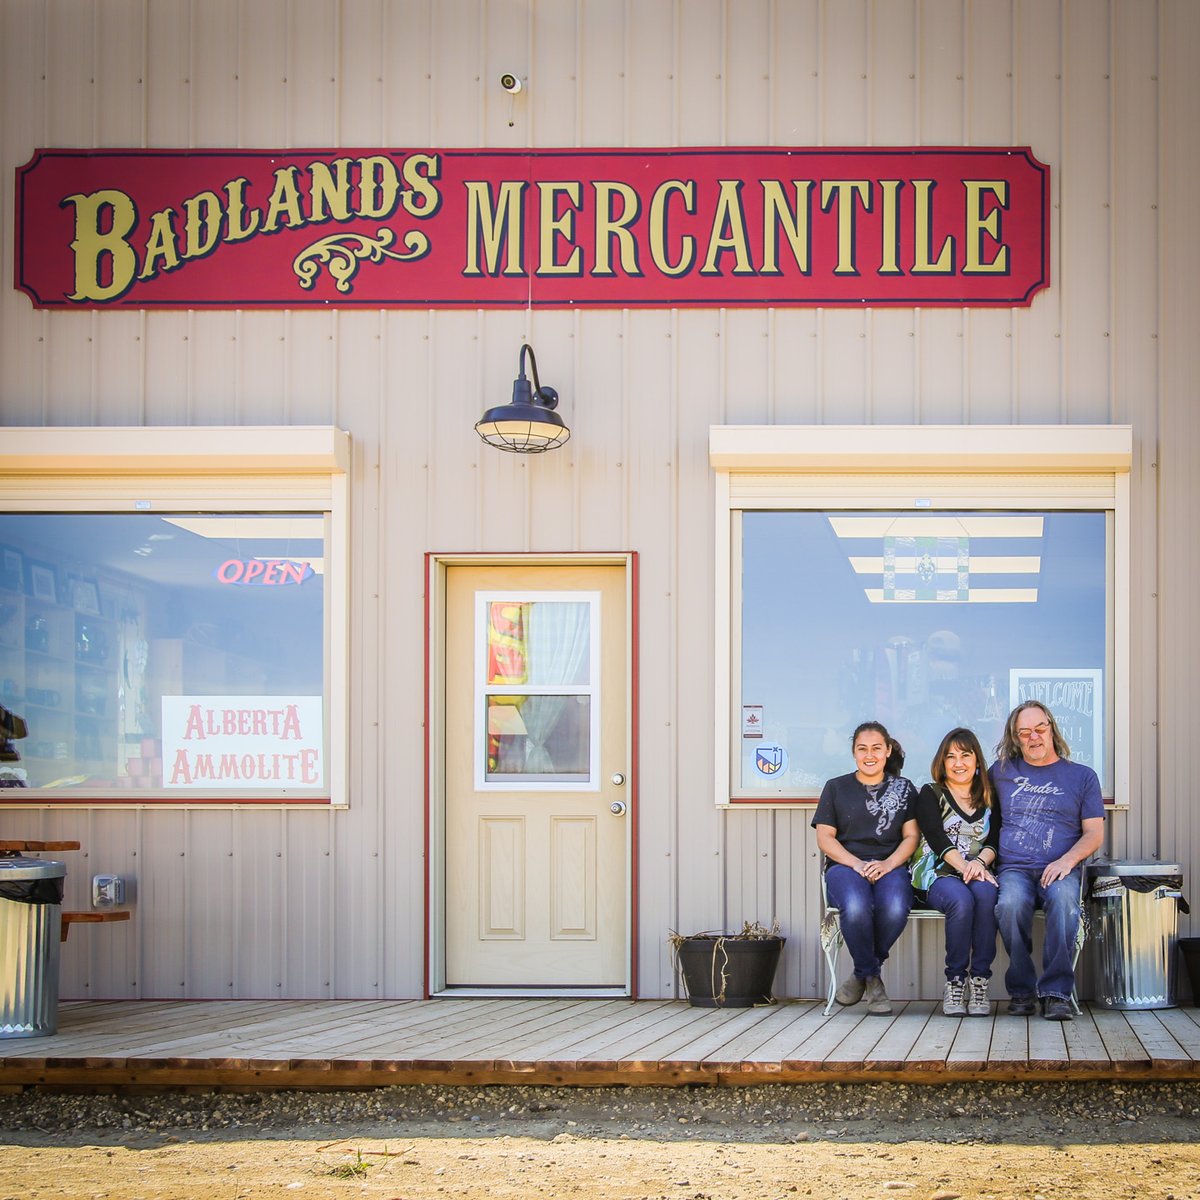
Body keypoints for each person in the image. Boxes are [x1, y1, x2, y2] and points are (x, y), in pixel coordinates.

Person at [990, 701, 1105, 1021]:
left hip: (1062, 867)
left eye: (1039, 729)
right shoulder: (1000, 772)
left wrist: (1066, 861)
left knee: (1066, 901)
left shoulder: (1082, 777)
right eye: (1024, 732)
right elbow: (965, 799)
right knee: (1009, 904)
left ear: (1052, 727)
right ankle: (1023, 990)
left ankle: (1056, 993)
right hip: (1014, 868)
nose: (1033, 737)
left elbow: (1094, 834)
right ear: (1015, 738)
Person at [813, 720, 919, 1015]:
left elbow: (911, 836)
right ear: (854, 753)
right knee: (857, 906)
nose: (869, 755)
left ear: (887, 751)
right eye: (862, 749)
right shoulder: (836, 788)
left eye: (876, 748)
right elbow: (825, 837)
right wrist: (857, 864)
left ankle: (861, 974)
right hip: (845, 867)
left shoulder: (904, 788)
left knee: (897, 906)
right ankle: (873, 979)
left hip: (891, 866)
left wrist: (887, 864)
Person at [912, 728, 999, 1017]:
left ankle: (980, 980)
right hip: (936, 872)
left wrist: (980, 864)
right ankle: (956, 981)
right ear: (942, 762)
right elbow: (936, 838)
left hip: (978, 870)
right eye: (950, 756)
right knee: (961, 900)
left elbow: (995, 839)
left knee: (987, 896)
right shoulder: (930, 793)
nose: (958, 762)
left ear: (977, 761)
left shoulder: (989, 797)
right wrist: (966, 867)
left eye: (965, 755)